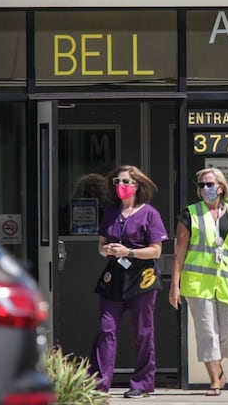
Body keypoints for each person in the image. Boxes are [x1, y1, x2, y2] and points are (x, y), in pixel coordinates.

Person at [169, 167, 228, 397]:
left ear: (221, 187)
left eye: (209, 185)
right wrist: (174, 285)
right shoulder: (189, 214)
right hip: (197, 283)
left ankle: (217, 367)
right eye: (201, 185)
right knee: (207, 333)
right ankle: (214, 380)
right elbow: (179, 252)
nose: (205, 189)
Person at [91, 165, 169, 399]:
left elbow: (156, 251)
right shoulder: (110, 212)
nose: (120, 186)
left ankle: (142, 383)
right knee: (106, 329)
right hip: (114, 278)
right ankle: (99, 384)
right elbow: (100, 247)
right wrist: (108, 250)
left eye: (125, 181)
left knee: (143, 331)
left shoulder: (150, 214)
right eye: (117, 181)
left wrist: (129, 253)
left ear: (137, 186)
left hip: (141, 279)